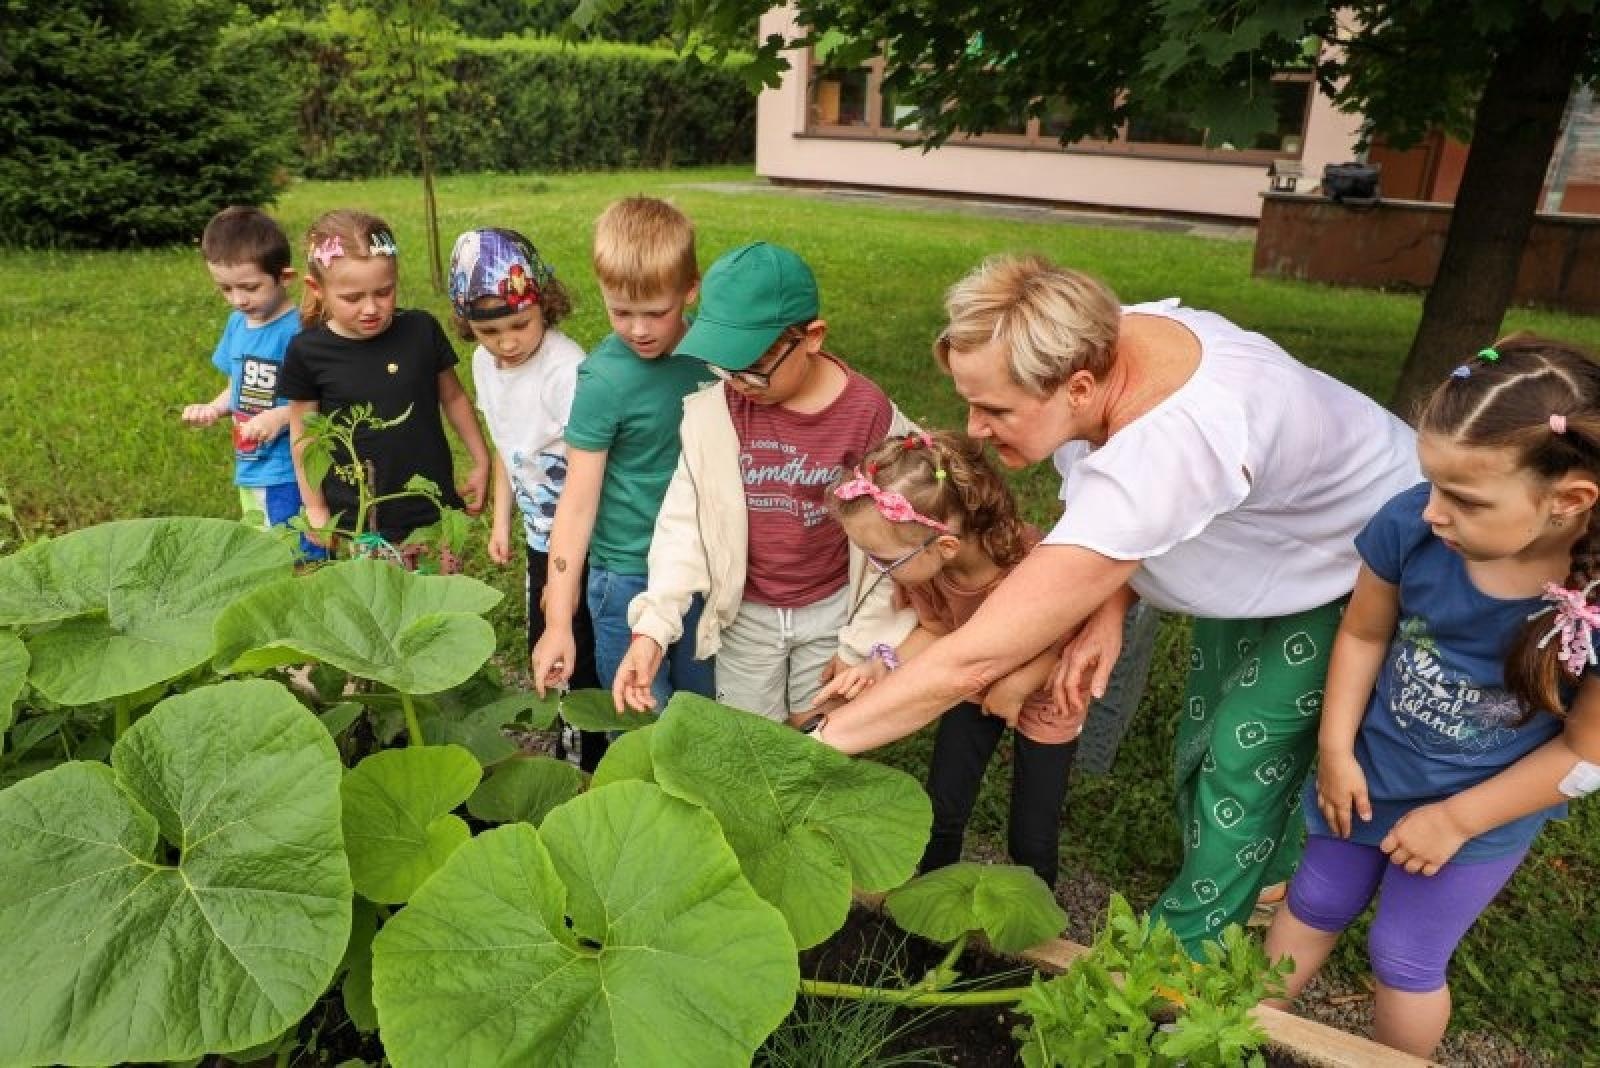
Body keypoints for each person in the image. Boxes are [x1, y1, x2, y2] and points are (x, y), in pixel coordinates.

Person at [805, 254, 1421, 954]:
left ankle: (1173, 962)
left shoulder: (1175, 445)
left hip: (1367, 556)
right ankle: (1269, 872)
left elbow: (973, 659)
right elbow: (1115, 519)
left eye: (997, 410)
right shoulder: (1101, 341)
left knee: (1240, 753)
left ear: (1079, 387)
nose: (972, 430)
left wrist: (818, 745)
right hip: (1277, 540)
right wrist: (1108, 605)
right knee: (1204, 735)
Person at [1263, 338, 1600, 1058]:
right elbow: (1363, 633)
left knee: (1404, 957)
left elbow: (1584, 757)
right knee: (1313, 903)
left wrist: (1454, 820)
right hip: (1366, 781)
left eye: (1466, 499)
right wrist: (1334, 750)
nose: (1434, 513)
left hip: (1478, 820)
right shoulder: (1411, 525)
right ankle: (1226, 1038)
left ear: (1568, 502)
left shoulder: (1591, 603)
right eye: (1432, 486)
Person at [612, 241, 917, 721]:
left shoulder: (869, 416)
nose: (738, 383)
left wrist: (860, 643)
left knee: (819, 730)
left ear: (812, 337)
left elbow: (897, 542)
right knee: (750, 736)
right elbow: (682, 527)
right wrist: (652, 629)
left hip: (833, 612)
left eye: (754, 366)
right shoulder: (715, 414)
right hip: (748, 618)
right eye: (724, 365)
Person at [815, 430, 1080, 887]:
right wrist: (879, 665)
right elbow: (937, 629)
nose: (877, 569)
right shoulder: (927, 570)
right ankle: (929, 904)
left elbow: (1070, 633)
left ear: (945, 547)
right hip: (969, 684)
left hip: (1047, 694)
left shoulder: (1036, 562)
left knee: (1032, 835)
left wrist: (1018, 685)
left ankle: (1031, 918)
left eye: (883, 560)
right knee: (943, 807)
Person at [530, 198, 717, 709]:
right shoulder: (603, 380)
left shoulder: (716, 358)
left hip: (702, 570)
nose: (638, 329)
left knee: (702, 714)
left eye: (656, 313)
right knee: (638, 716)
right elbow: (576, 503)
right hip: (626, 576)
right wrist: (558, 623)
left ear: (690, 289)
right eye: (621, 311)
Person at [448, 226, 605, 771]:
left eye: (520, 324)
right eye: (489, 331)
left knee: (579, 641)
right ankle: (566, 739)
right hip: (540, 536)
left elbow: (588, 468)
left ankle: (589, 756)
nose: (507, 342)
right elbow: (506, 445)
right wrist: (500, 522)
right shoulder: (483, 363)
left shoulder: (565, 369)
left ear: (545, 304)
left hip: (585, 538)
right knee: (546, 636)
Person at [279, 210, 489, 553]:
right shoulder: (308, 351)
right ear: (317, 289)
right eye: (352, 298)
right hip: (360, 518)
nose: (370, 308)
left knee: (438, 587)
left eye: (384, 292)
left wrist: (481, 461)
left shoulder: (421, 330)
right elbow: (304, 436)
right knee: (374, 589)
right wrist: (315, 507)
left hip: (431, 508)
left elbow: (453, 398)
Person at [180, 206, 323, 559]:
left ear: (285, 277)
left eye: (249, 287)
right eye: (225, 289)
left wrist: (279, 417)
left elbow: (322, 398)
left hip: (288, 470)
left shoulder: (298, 331)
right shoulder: (237, 325)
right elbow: (237, 385)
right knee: (260, 547)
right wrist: (214, 408)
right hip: (250, 466)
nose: (238, 299)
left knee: (297, 553)